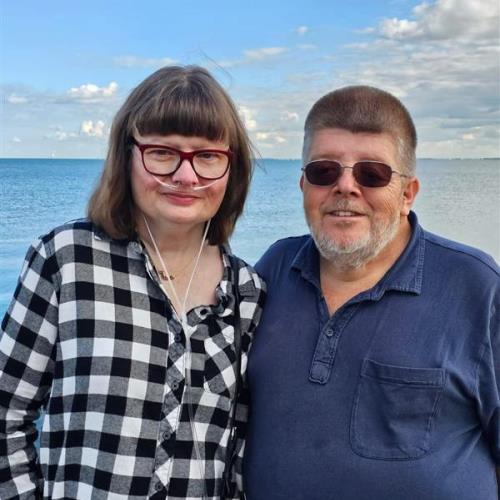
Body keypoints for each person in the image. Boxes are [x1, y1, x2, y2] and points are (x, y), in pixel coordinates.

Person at [0, 65, 265, 500]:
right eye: (162, 152)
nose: (186, 176)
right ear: (127, 156)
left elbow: (238, 450)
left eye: (207, 156)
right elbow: (7, 414)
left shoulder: (246, 293)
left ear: (231, 168)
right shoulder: (67, 259)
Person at [243, 85, 499, 499]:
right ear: (303, 185)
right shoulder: (275, 269)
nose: (345, 186)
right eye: (324, 171)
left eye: (372, 173)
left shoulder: (476, 286)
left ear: (407, 194)